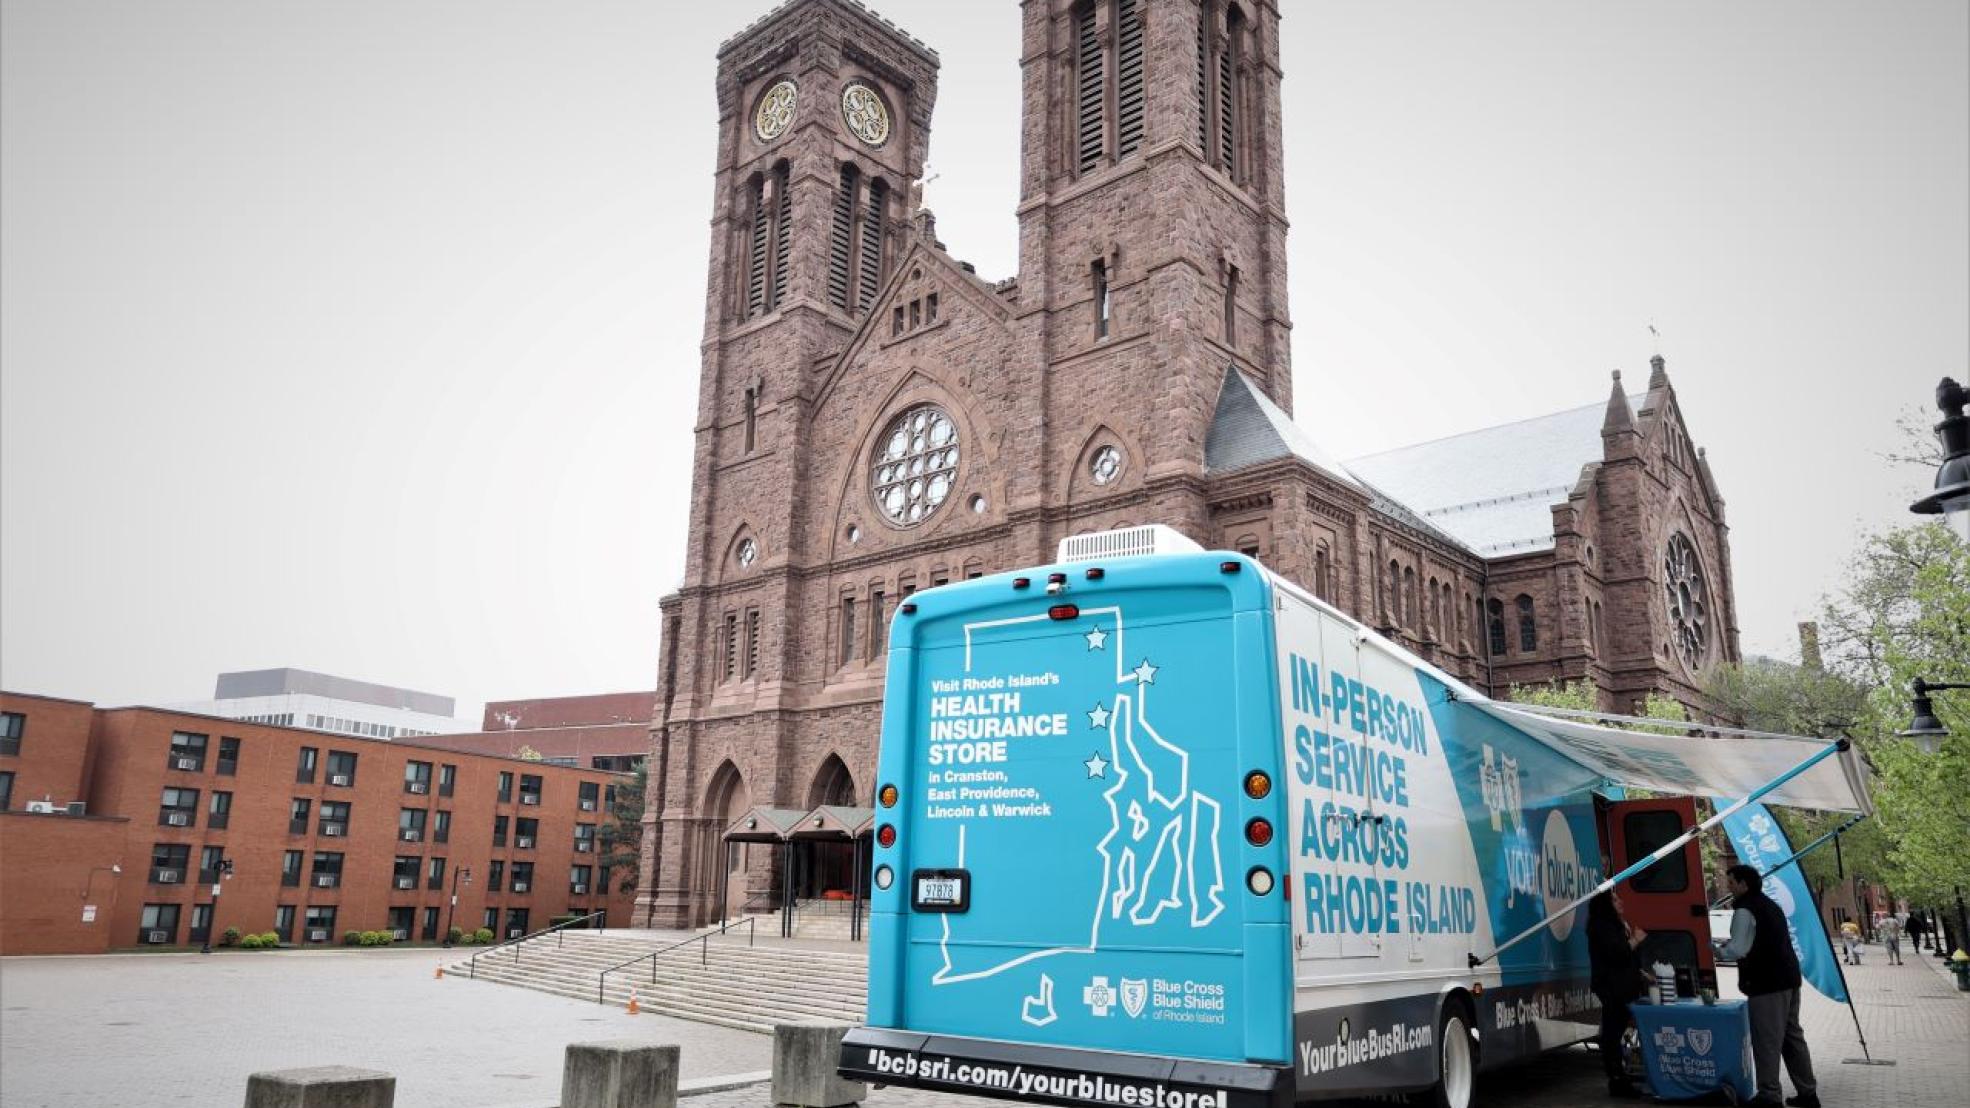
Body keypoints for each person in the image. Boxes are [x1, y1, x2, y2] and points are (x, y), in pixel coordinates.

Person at [1718, 865, 1820, 1108]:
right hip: (1789, 979)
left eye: (1731, 882)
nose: (1728, 887)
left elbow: (1738, 949)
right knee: (1792, 1037)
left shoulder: (1745, 910)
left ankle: (1769, 1096)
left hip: (1766, 983)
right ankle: (1808, 1093)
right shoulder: (1771, 905)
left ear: (1744, 884)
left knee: (1767, 1040)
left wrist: (1716, 950)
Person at [1587, 889, 1649, 1099]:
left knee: (1618, 1029)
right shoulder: (1601, 926)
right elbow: (1617, 953)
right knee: (1612, 1033)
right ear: (1605, 904)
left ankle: (1620, 1075)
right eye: (1614, 899)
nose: (1620, 901)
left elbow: (1626, 958)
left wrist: (1641, 972)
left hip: (1623, 985)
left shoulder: (1617, 924)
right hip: (1612, 987)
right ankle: (1617, 1078)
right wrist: (1636, 940)